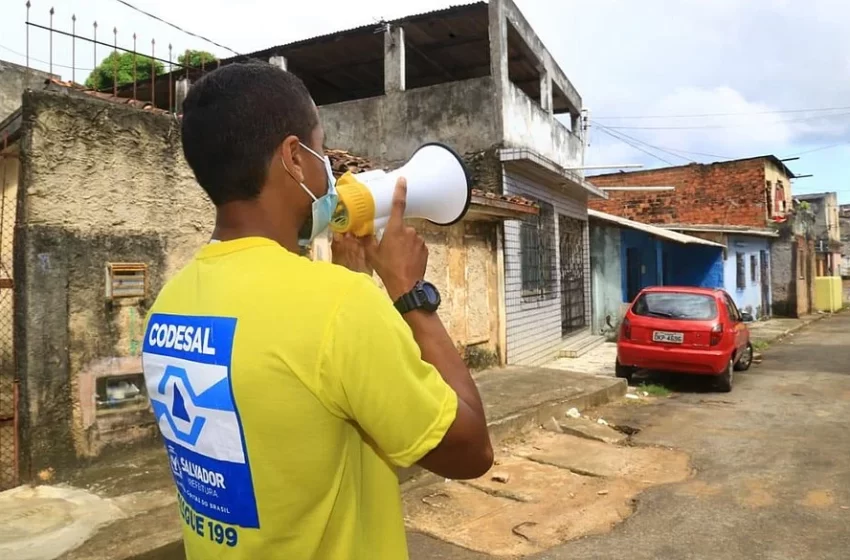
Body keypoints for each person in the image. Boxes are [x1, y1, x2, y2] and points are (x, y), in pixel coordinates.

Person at [141, 61, 493, 560]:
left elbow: (293, 422)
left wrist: (351, 284)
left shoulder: (169, 304)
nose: (328, 167)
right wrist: (408, 292)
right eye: (321, 149)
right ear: (294, 158)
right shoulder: (337, 308)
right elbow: (472, 449)